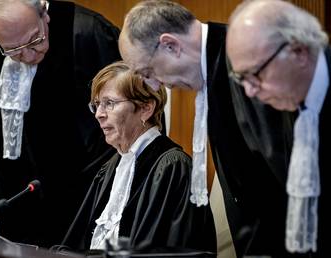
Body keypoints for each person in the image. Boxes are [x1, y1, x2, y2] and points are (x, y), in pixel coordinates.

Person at [119, 1, 297, 256]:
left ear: (171, 45)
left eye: (148, 71)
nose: (156, 86)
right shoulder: (216, 67)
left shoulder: (252, 61)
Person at [0, 0, 121, 246]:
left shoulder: (86, 31)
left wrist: (88, 191)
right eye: (12, 50)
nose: (27, 55)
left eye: (34, 40)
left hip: (82, 198)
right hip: (8, 203)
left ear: (45, 14)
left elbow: (127, 123)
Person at [226, 0, 331, 256]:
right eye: (240, 78)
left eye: (255, 74)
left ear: (298, 51)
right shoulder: (290, 99)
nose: (248, 91)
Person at [61, 61, 215, 253]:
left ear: (145, 108)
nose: (99, 114)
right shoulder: (110, 168)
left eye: (109, 103)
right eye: (97, 105)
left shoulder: (173, 168)